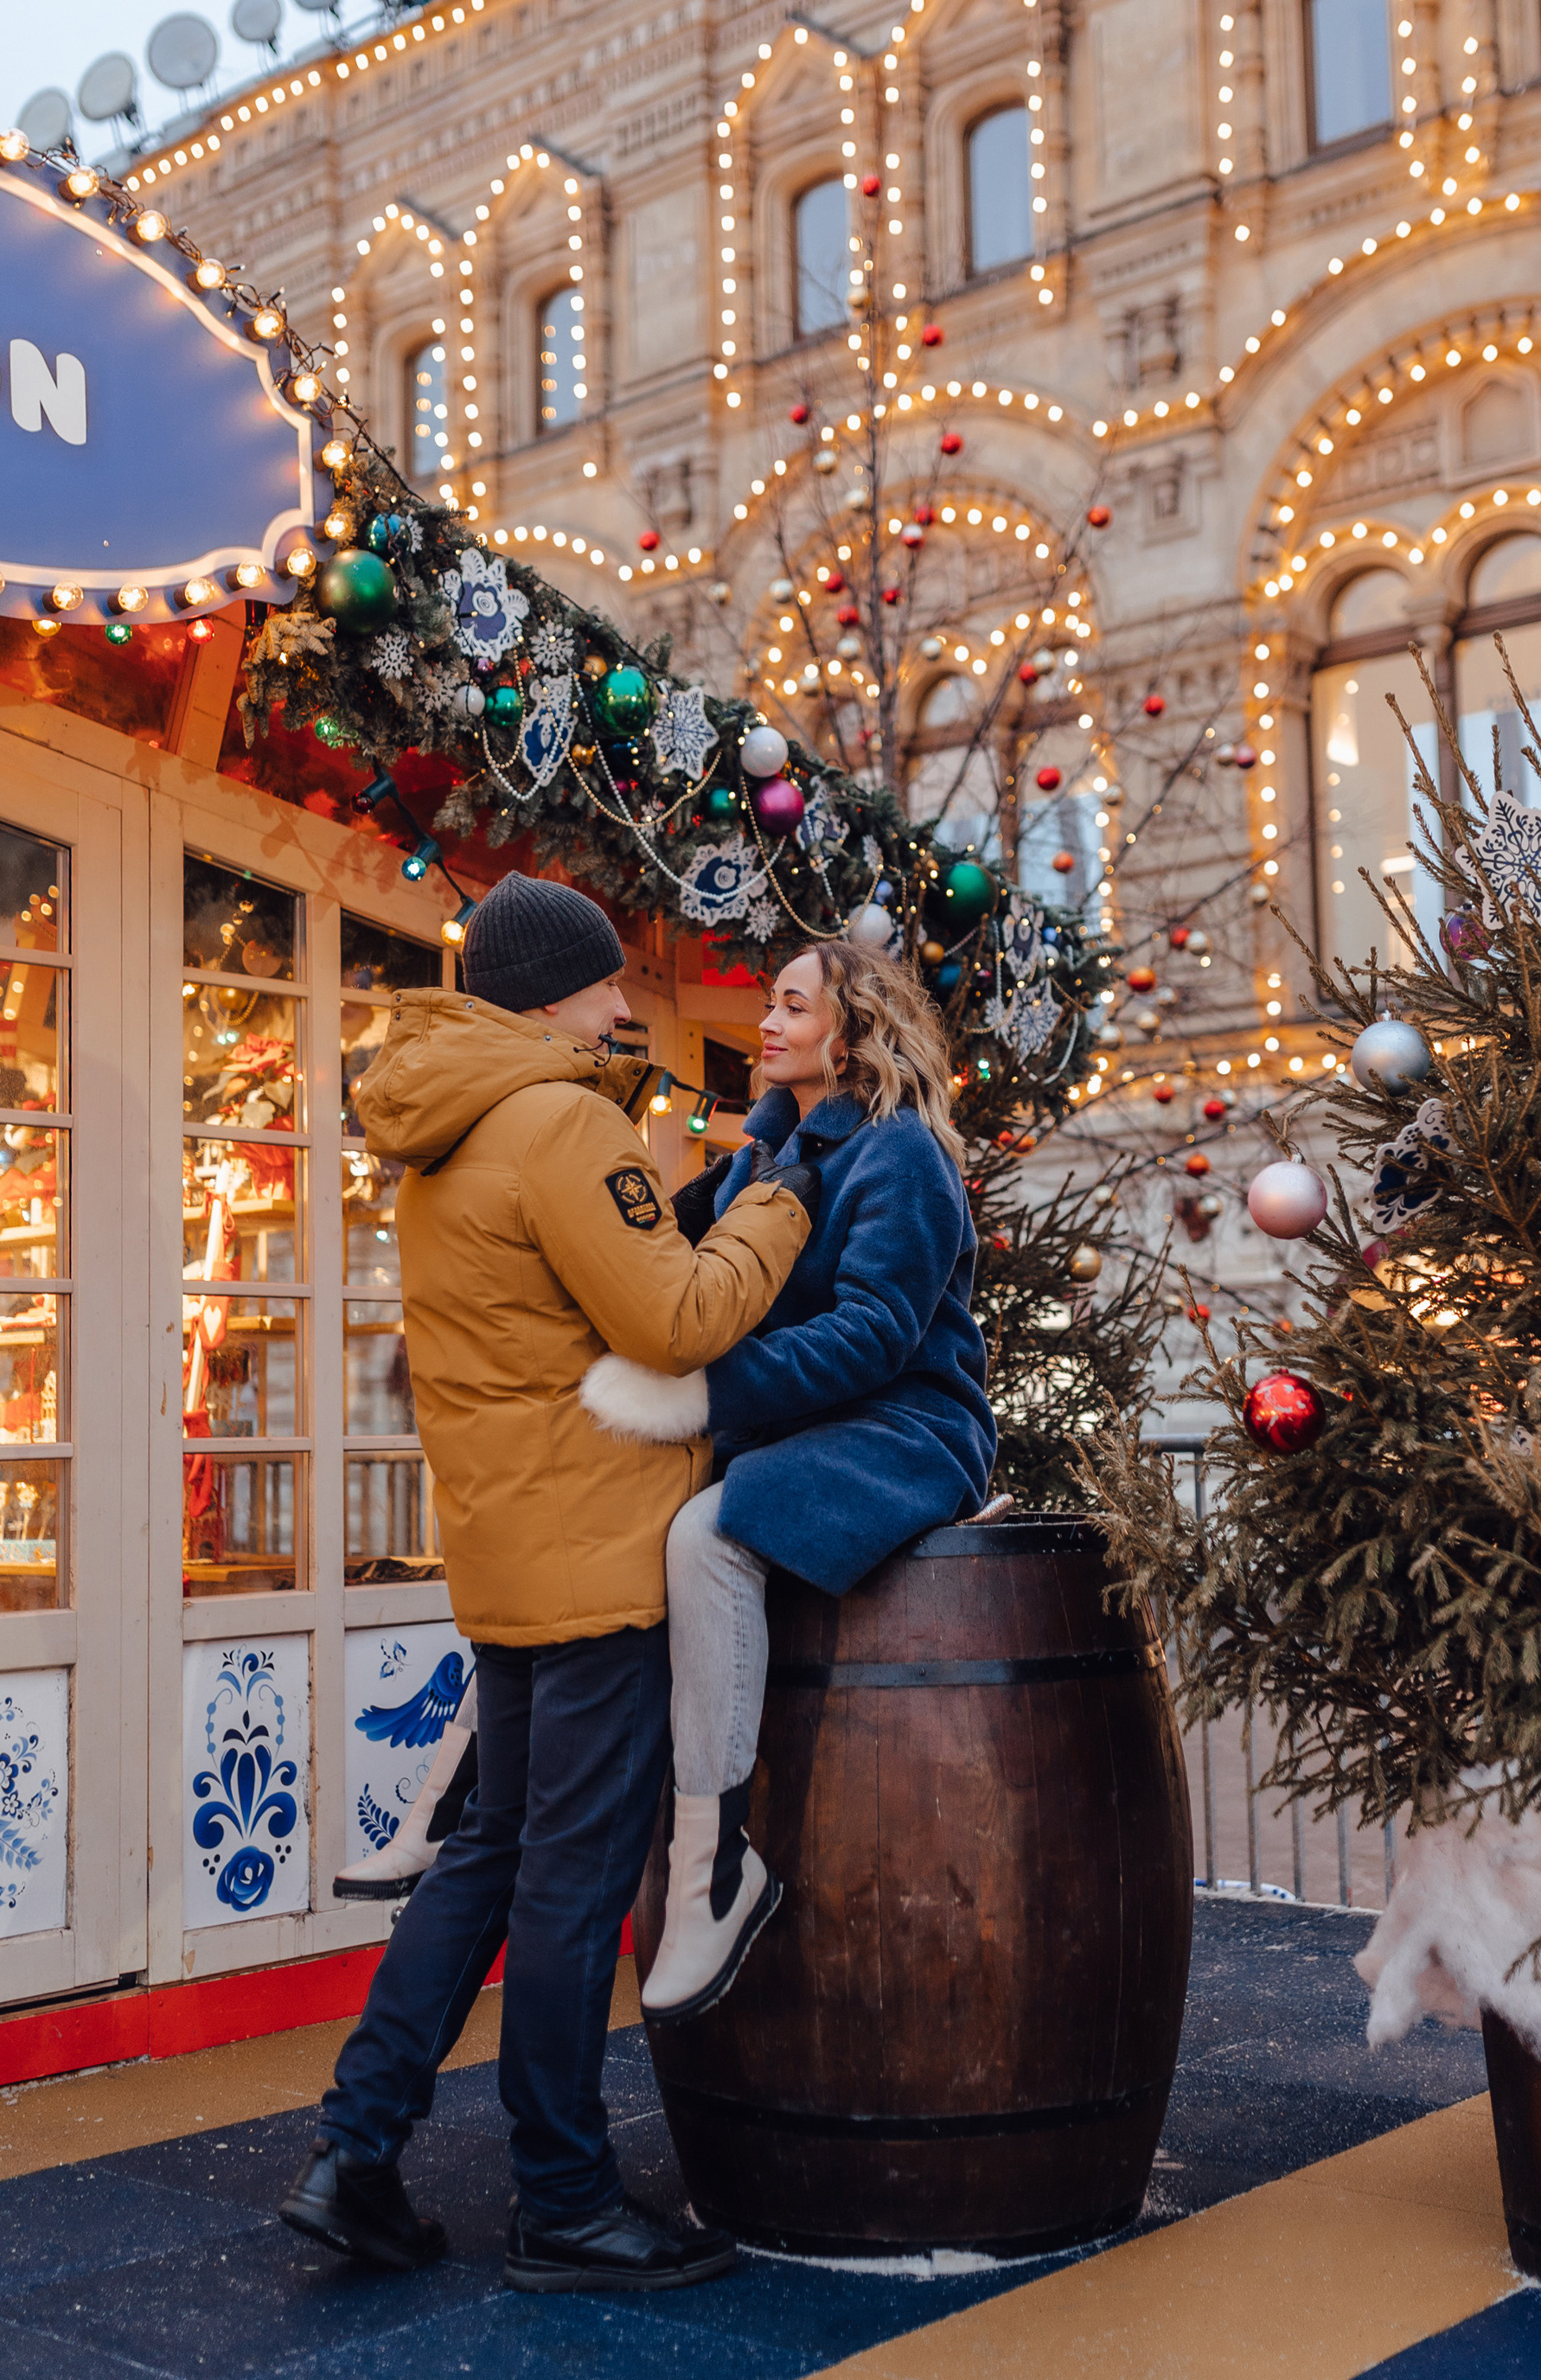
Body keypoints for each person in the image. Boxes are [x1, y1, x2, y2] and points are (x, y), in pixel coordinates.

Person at [278, 870, 816, 2289]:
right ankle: (564, 2197)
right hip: (599, 1551)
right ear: (552, 994)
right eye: (605, 980)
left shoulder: (444, 1125)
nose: (623, 1001)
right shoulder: (565, 1121)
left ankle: (355, 2149)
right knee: (572, 1882)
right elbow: (675, 1316)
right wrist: (773, 1210)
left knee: (490, 1851)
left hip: (512, 1546)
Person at [580, 937, 998, 2024]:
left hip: (904, 1426)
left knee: (705, 1536)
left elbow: (874, 1336)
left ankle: (714, 1870)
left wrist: (704, 1395)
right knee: (600, 1505)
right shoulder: (762, 1154)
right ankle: (472, 1782)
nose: (766, 1023)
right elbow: (676, 1270)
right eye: (770, 1005)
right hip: (794, 1425)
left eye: (792, 1007)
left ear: (850, 1033)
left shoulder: (900, 1154)